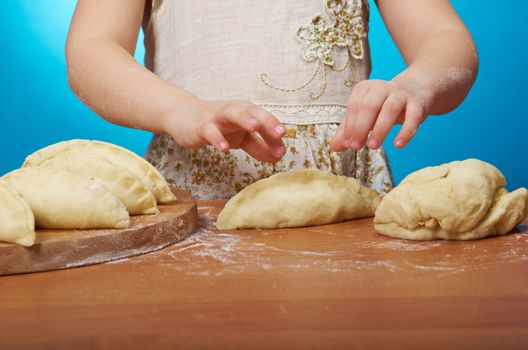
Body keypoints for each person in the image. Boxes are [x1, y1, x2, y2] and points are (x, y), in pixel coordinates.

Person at [66, 0, 478, 199]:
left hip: (345, 188)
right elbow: (92, 51)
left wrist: (417, 86)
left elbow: (445, 40)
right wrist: (182, 110)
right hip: (200, 189)